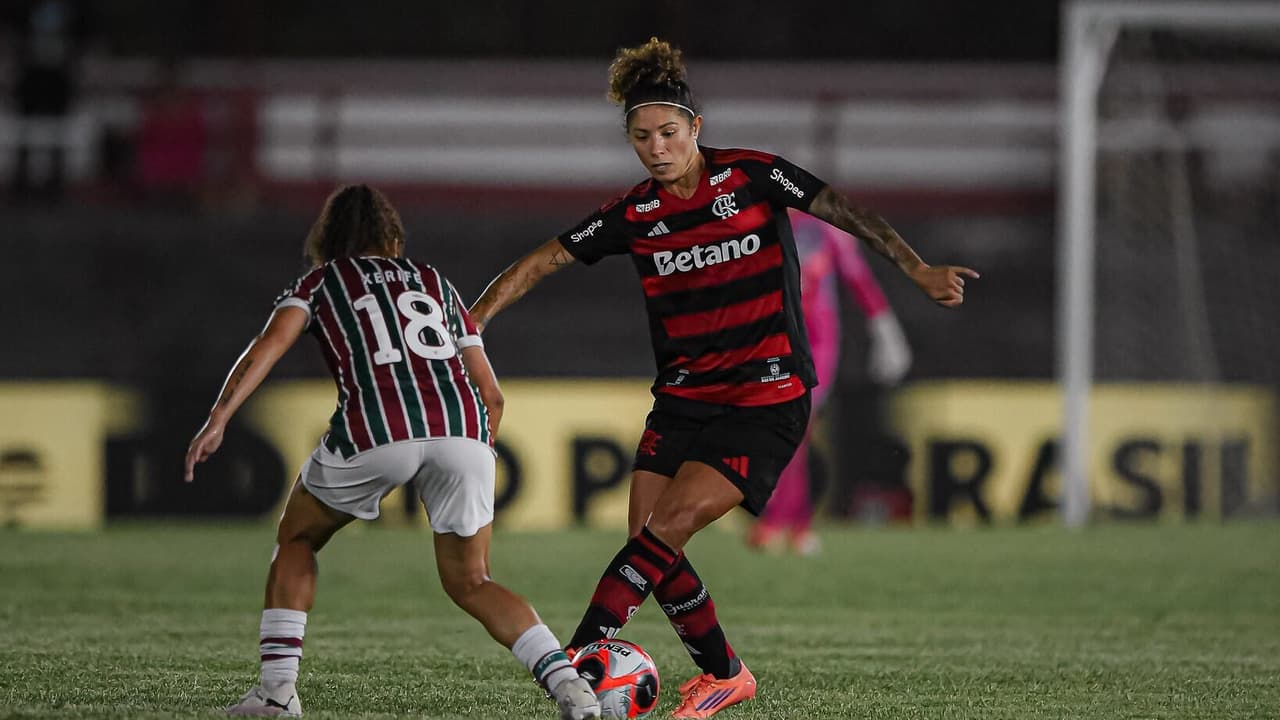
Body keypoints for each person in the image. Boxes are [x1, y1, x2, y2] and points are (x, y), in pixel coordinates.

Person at [469, 39, 977, 719]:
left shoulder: (754, 176)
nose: (657, 147)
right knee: (652, 540)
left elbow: (843, 210)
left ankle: (577, 664)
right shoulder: (634, 215)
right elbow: (542, 261)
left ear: (695, 129)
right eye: (642, 136)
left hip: (764, 398)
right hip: (681, 402)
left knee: (661, 533)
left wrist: (914, 268)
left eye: (669, 133)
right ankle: (725, 676)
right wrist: (473, 319)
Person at [184, 184, 600, 720]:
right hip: (462, 429)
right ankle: (572, 688)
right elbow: (492, 395)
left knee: (298, 536)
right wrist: (471, 450)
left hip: (377, 428)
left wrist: (219, 416)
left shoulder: (320, 281)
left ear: (328, 238)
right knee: (473, 581)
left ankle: (276, 693)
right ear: (392, 235)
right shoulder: (437, 285)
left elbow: (268, 346)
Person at [746, 209, 912, 555]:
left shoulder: (827, 230)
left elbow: (858, 279)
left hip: (818, 341)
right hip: (777, 338)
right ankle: (795, 526)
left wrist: (885, 329)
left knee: (798, 427)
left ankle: (781, 524)